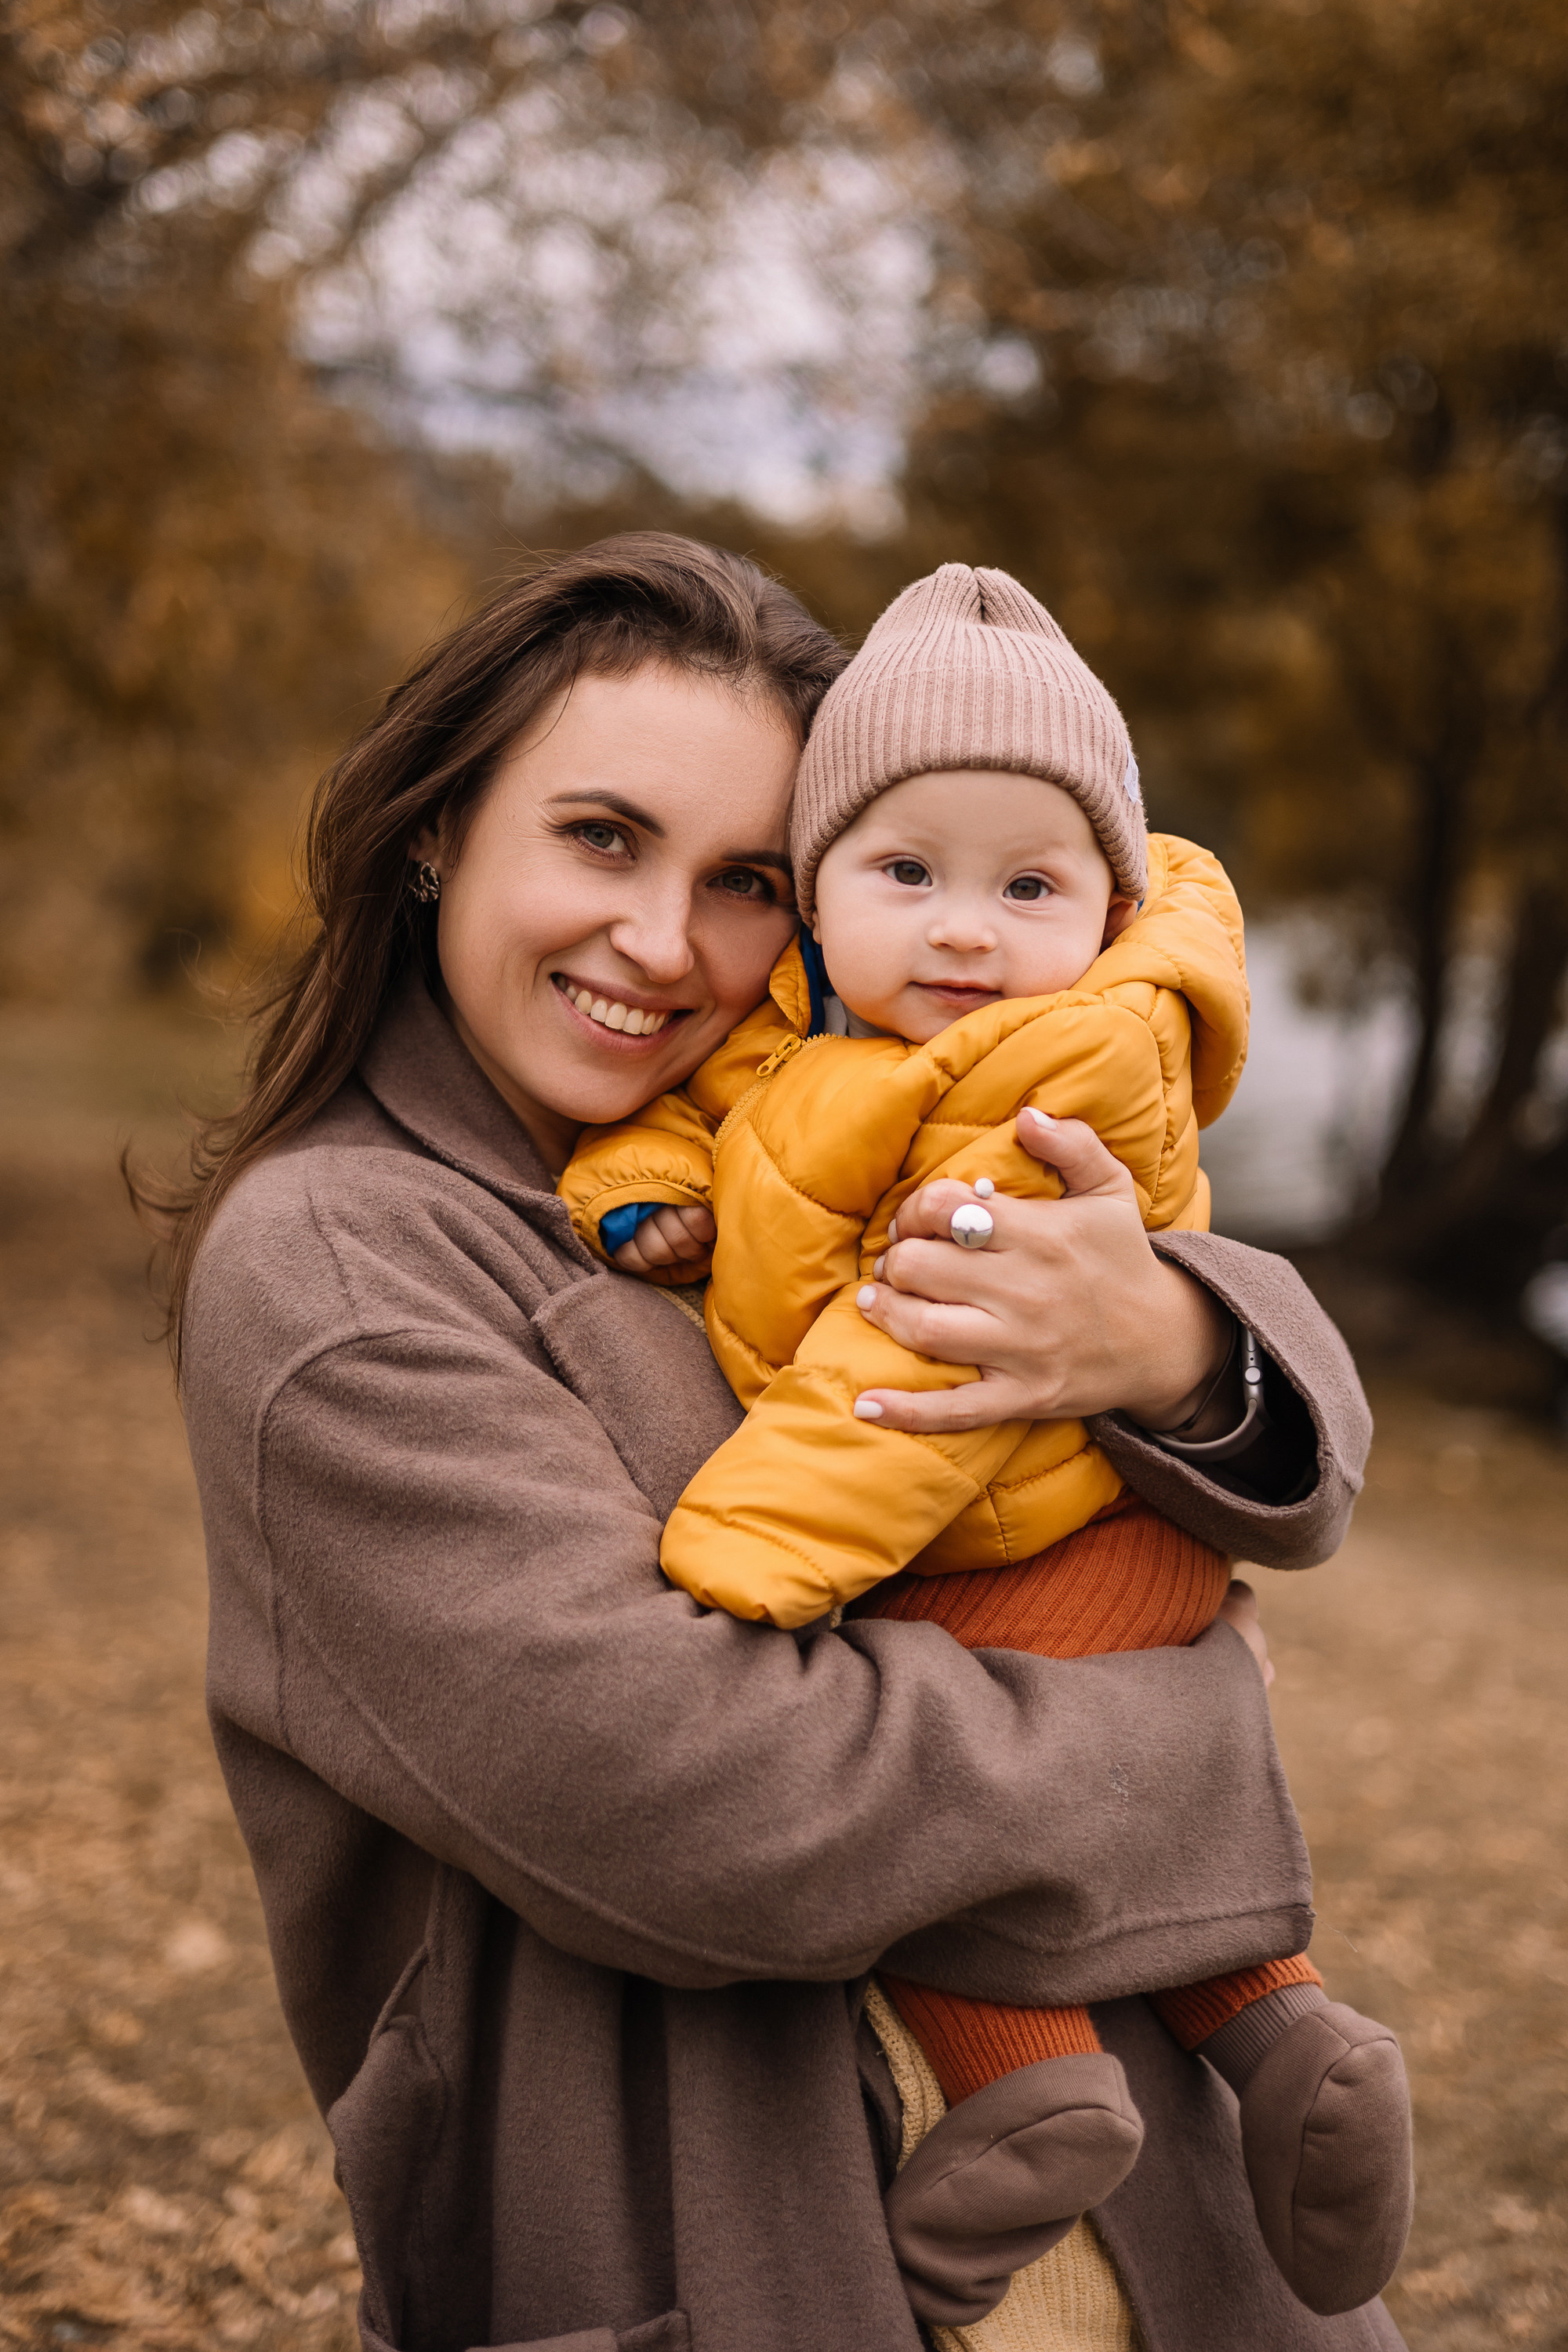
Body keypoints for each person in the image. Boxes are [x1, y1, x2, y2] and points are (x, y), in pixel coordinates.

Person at [155, 534, 1399, 2352]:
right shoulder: (346, 1260)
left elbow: (1314, 1456)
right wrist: (1186, 1731)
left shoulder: (825, 1111)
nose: (663, 945)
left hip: (1165, 2233)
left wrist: (1168, 1338)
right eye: (599, 838)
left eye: (741, 878)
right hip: (737, 2241)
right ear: (438, 832)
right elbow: (687, 1803)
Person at [559, 565, 1412, 2333]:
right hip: (1028, 1545)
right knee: (994, 1760)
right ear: (823, 895)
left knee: (918, 1710)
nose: (962, 929)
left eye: (1025, 886)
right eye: (905, 874)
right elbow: (712, 1125)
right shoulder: (814, 1036)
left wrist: (752, 1557)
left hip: (1027, 1525)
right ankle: (1288, 2034)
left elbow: (916, 1357)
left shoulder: (1062, 1056)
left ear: (1106, 903)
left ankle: (1034, 2088)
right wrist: (644, 1197)